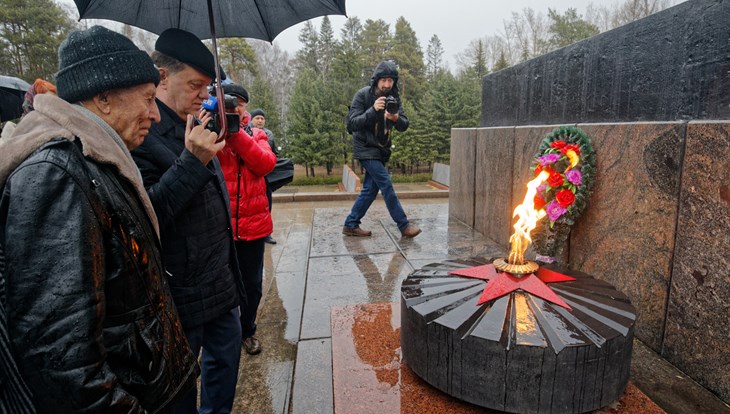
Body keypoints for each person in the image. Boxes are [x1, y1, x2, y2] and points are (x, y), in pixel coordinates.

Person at [0, 25, 198, 413]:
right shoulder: (56, 175)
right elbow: (61, 355)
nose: (156, 115)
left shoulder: (96, 160)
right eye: (146, 99)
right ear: (104, 97)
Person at [130, 28, 243, 414]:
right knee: (179, 389)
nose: (205, 94)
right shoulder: (142, 134)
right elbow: (150, 215)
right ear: (162, 76)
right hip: (180, 289)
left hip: (219, 279)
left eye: (208, 86)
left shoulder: (192, 124)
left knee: (225, 367)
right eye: (196, 84)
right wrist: (192, 161)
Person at [217, 85, 276, 356]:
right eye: (229, 102)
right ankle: (223, 335)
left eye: (239, 103)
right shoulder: (208, 132)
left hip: (252, 228)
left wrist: (236, 134)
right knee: (222, 285)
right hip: (220, 228)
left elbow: (264, 164)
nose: (234, 107)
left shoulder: (256, 134)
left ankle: (247, 330)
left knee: (252, 286)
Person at [343, 60, 422, 238]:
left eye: (390, 81)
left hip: (381, 151)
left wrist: (395, 118)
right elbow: (351, 124)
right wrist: (372, 110)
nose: (387, 84)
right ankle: (404, 225)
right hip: (365, 148)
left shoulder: (394, 99)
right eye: (383, 80)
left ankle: (351, 224)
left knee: (370, 190)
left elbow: (404, 124)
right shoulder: (363, 95)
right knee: (386, 184)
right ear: (377, 80)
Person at [250, 108, 278, 244]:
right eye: (257, 118)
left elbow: (273, 153)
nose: (260, 121)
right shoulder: (245, 132)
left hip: (265, 176)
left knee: (267, 202)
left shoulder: (269, 134)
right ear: (251, 120)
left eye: (262, 118)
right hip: (249, 176)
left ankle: (266, 233)